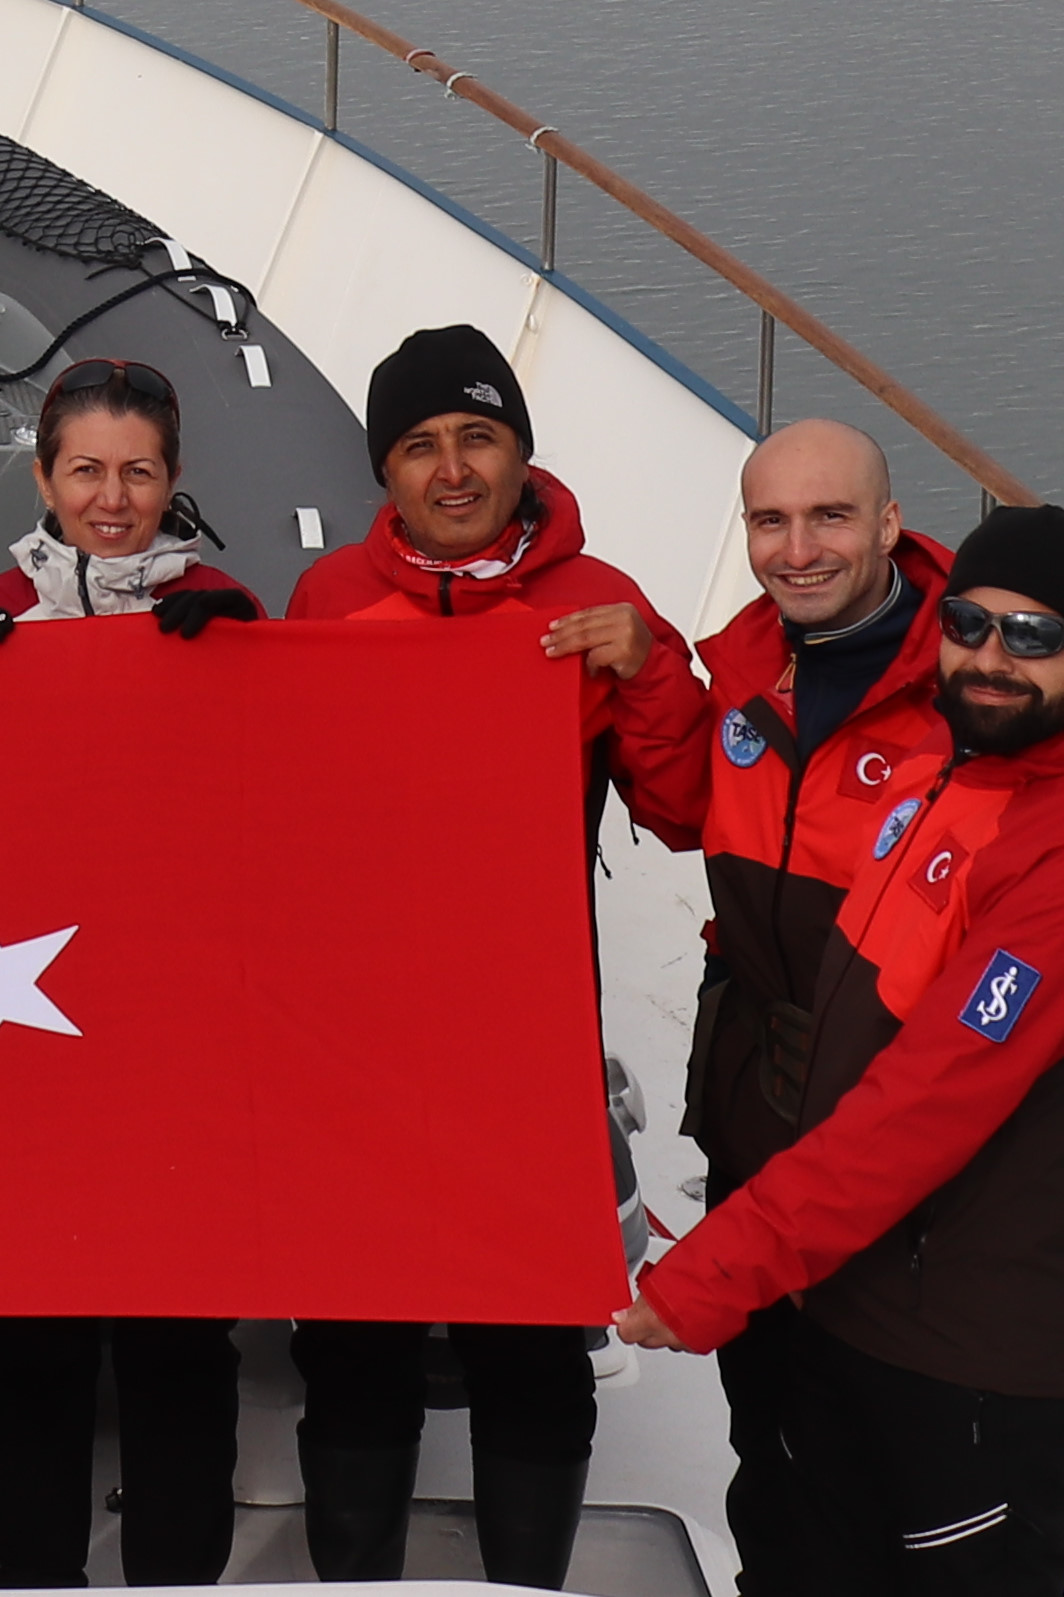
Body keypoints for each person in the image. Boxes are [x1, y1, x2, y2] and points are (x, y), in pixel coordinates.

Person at [611, 506, 1064, 1597]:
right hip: (851, 1300)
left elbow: (920, 1109)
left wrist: (718, 1271)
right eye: (971, 623)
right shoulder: (951, 778)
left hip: (967, 1355)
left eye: (1033, 636)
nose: (990, 659)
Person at [277, 322, 709, 1591]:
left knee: (528, 1343)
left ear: (521, 451)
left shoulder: (597, 603)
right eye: (419, 446)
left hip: (522, 1044)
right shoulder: (326, 603)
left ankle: (524, 1583)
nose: (452, 469)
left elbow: (687, 811)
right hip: (360, 1041)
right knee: (353, 1345)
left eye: (478, 437)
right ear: (385, 472)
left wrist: (649, 675)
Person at [0, 359, 265, 1592]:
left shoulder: (233, 612)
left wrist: (250, 674)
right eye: (86, 469)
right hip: (27, 1030)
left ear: (173, 480)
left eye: (137, 472)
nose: (111, 498)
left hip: (178, 1041)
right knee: (34, 1333)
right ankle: (33, 1571)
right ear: (43, 476)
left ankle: (179, 1572)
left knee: (182, 1336)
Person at [678, 423, 951, 1597]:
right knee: (771, 1436)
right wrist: (642, 666)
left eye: (830, 517)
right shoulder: (745, 676)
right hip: (758, 1114)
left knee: (889, 1462)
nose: (797, 550)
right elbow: (678, 797)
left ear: (890, 522)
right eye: (769, 522)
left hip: (895, 1156)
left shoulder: (967, 694)